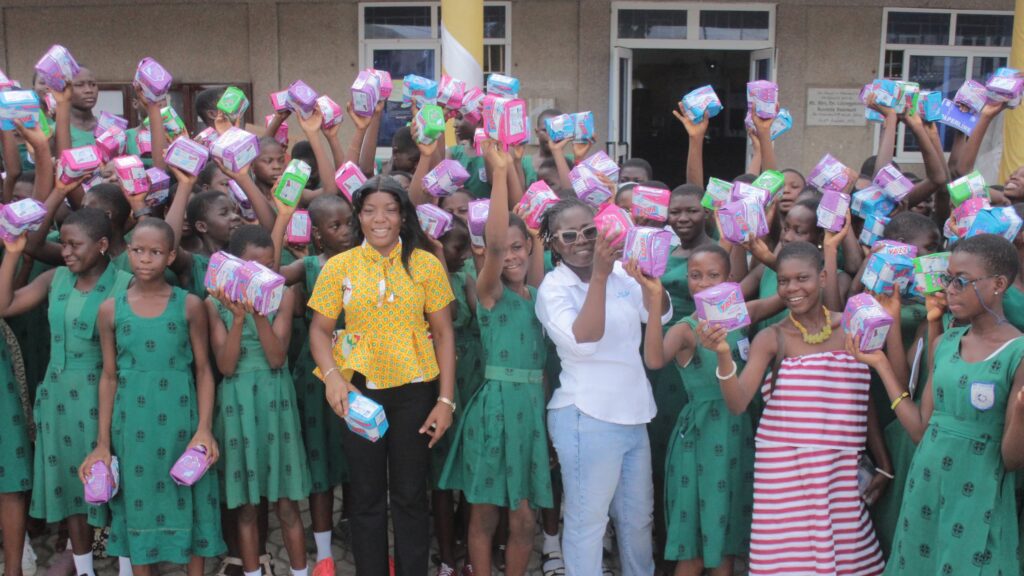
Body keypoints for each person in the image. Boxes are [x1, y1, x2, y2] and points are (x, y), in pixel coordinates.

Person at [307, 176, 457, 576]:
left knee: (410, 496)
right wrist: (335, 379)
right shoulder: (340, 266)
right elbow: (319, 331)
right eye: (370, 210)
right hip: (358, 394)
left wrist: (445, 402)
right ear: (359, 215)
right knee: (366, 497)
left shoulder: (424, 263)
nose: (380, 219)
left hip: (415, 392)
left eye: (390, 209)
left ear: (403, 216)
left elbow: (443, 333)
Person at [710, 241, 888, 575]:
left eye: (801, 278)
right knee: (788, 562)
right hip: (784, 473)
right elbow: (737, 404)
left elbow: (865, 403)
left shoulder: (852, 327)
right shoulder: (772, 337)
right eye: (784, 281)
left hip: (840, 472)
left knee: (851, 559)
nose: (792, 288)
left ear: (822, 277)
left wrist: (885, 464)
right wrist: (722, 352)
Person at [854, 234, 1024, 576]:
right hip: (926, 485)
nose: (949, 288)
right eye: (947, 278)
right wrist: (880, 364)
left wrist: (1020, 413)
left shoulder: (1017, 353)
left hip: (980, 495)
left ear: (999, 284)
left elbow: (1011, 459)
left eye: (961, 281)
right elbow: (919, 429)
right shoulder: (946, 342)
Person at [79, 219, 225, 575]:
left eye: (156, 252)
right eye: (138, 250)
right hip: (132, 429)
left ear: (171, 255)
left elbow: (204, 370)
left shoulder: (188, 305)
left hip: (182, 424)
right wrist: (102, 444)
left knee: (191, 499)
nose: (145, 259)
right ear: (128, 253)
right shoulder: (110, 310)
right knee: (137, 505)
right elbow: (109, 376)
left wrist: (204, 429)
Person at [536, 197, 671, 576]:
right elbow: (586, 338)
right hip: (586, 416)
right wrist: (598, 274)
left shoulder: (623, 275)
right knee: (587, 522)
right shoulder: (554, 289)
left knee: (637, 520)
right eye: (569, 235)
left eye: (590, 231)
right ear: (553, 243)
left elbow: (657, 315)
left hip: (634, 412)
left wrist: (648, 283)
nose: (582, 240)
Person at [0, 206, 133, 576]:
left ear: (103, 245)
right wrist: (12, 252)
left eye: (75, 245)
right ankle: (85, 567)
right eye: (64, 244)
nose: (67, 252)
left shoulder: (125, 285)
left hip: (103, 396)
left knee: (114, 483)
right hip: (57, 398)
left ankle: (126, 567)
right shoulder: (55, 278)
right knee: (73, 487)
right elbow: (4, 304)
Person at [440, 143, 551, 576]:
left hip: (530, 412)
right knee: (484, 514)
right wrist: (502, 172)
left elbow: (529, 249)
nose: (513, 256)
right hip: (493, 410)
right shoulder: (488, 291)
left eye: (521, 248)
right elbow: (496, 238)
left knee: (524, 517)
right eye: (505, 249)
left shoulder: (539, 292)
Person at [642, 244, 783, 576]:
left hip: (739, 434)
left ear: (730, 279)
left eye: (713, 275)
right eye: (695, 276)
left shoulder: (740, 314)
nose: (703, 283)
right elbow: (654, 359)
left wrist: (767, 257)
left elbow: (784, 295)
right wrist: (653, 297)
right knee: (693, 551)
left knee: (726, 546)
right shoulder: (686, 329)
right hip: (702, 437)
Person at [207, 225, 311, 576]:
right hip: (237, 404)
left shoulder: (283, 296)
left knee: (287, 505)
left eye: (270, 265)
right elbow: (226, 365)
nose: (264, 274)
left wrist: (255, 313)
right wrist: (237, 319)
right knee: (248, 508)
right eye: (255, 266)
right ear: (237, 265)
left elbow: (277, 357)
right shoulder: (213, 303)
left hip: (275, 401)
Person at [274, 194, 356, 576]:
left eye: (349, 222)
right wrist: (282, 220)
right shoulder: (308, 266)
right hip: (316, 375)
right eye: (335, 226)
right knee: (321, 459)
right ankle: (323, 553)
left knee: (358, 459)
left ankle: (356, 530)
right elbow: (268, 271)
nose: (347, 230)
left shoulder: (368, 262)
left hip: (362, 372)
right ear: (318, 237)